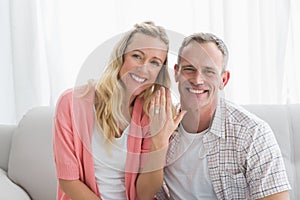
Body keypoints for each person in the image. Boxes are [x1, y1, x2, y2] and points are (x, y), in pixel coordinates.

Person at [137, 33, 291, 199]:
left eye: (209, 71)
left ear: (223, 80)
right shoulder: (159, 123)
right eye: (189, 69)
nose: (197, 80)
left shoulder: (253, 132)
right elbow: (144, 195)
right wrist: (158, 141)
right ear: (176, 73)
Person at [52, 21, 185, 200]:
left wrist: (159, 142)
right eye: (137, 56)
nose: (144, 68)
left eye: (154, 62)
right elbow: (68, 180)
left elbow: (145, 194)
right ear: (120, 57)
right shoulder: (71, 103)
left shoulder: (150, 114)